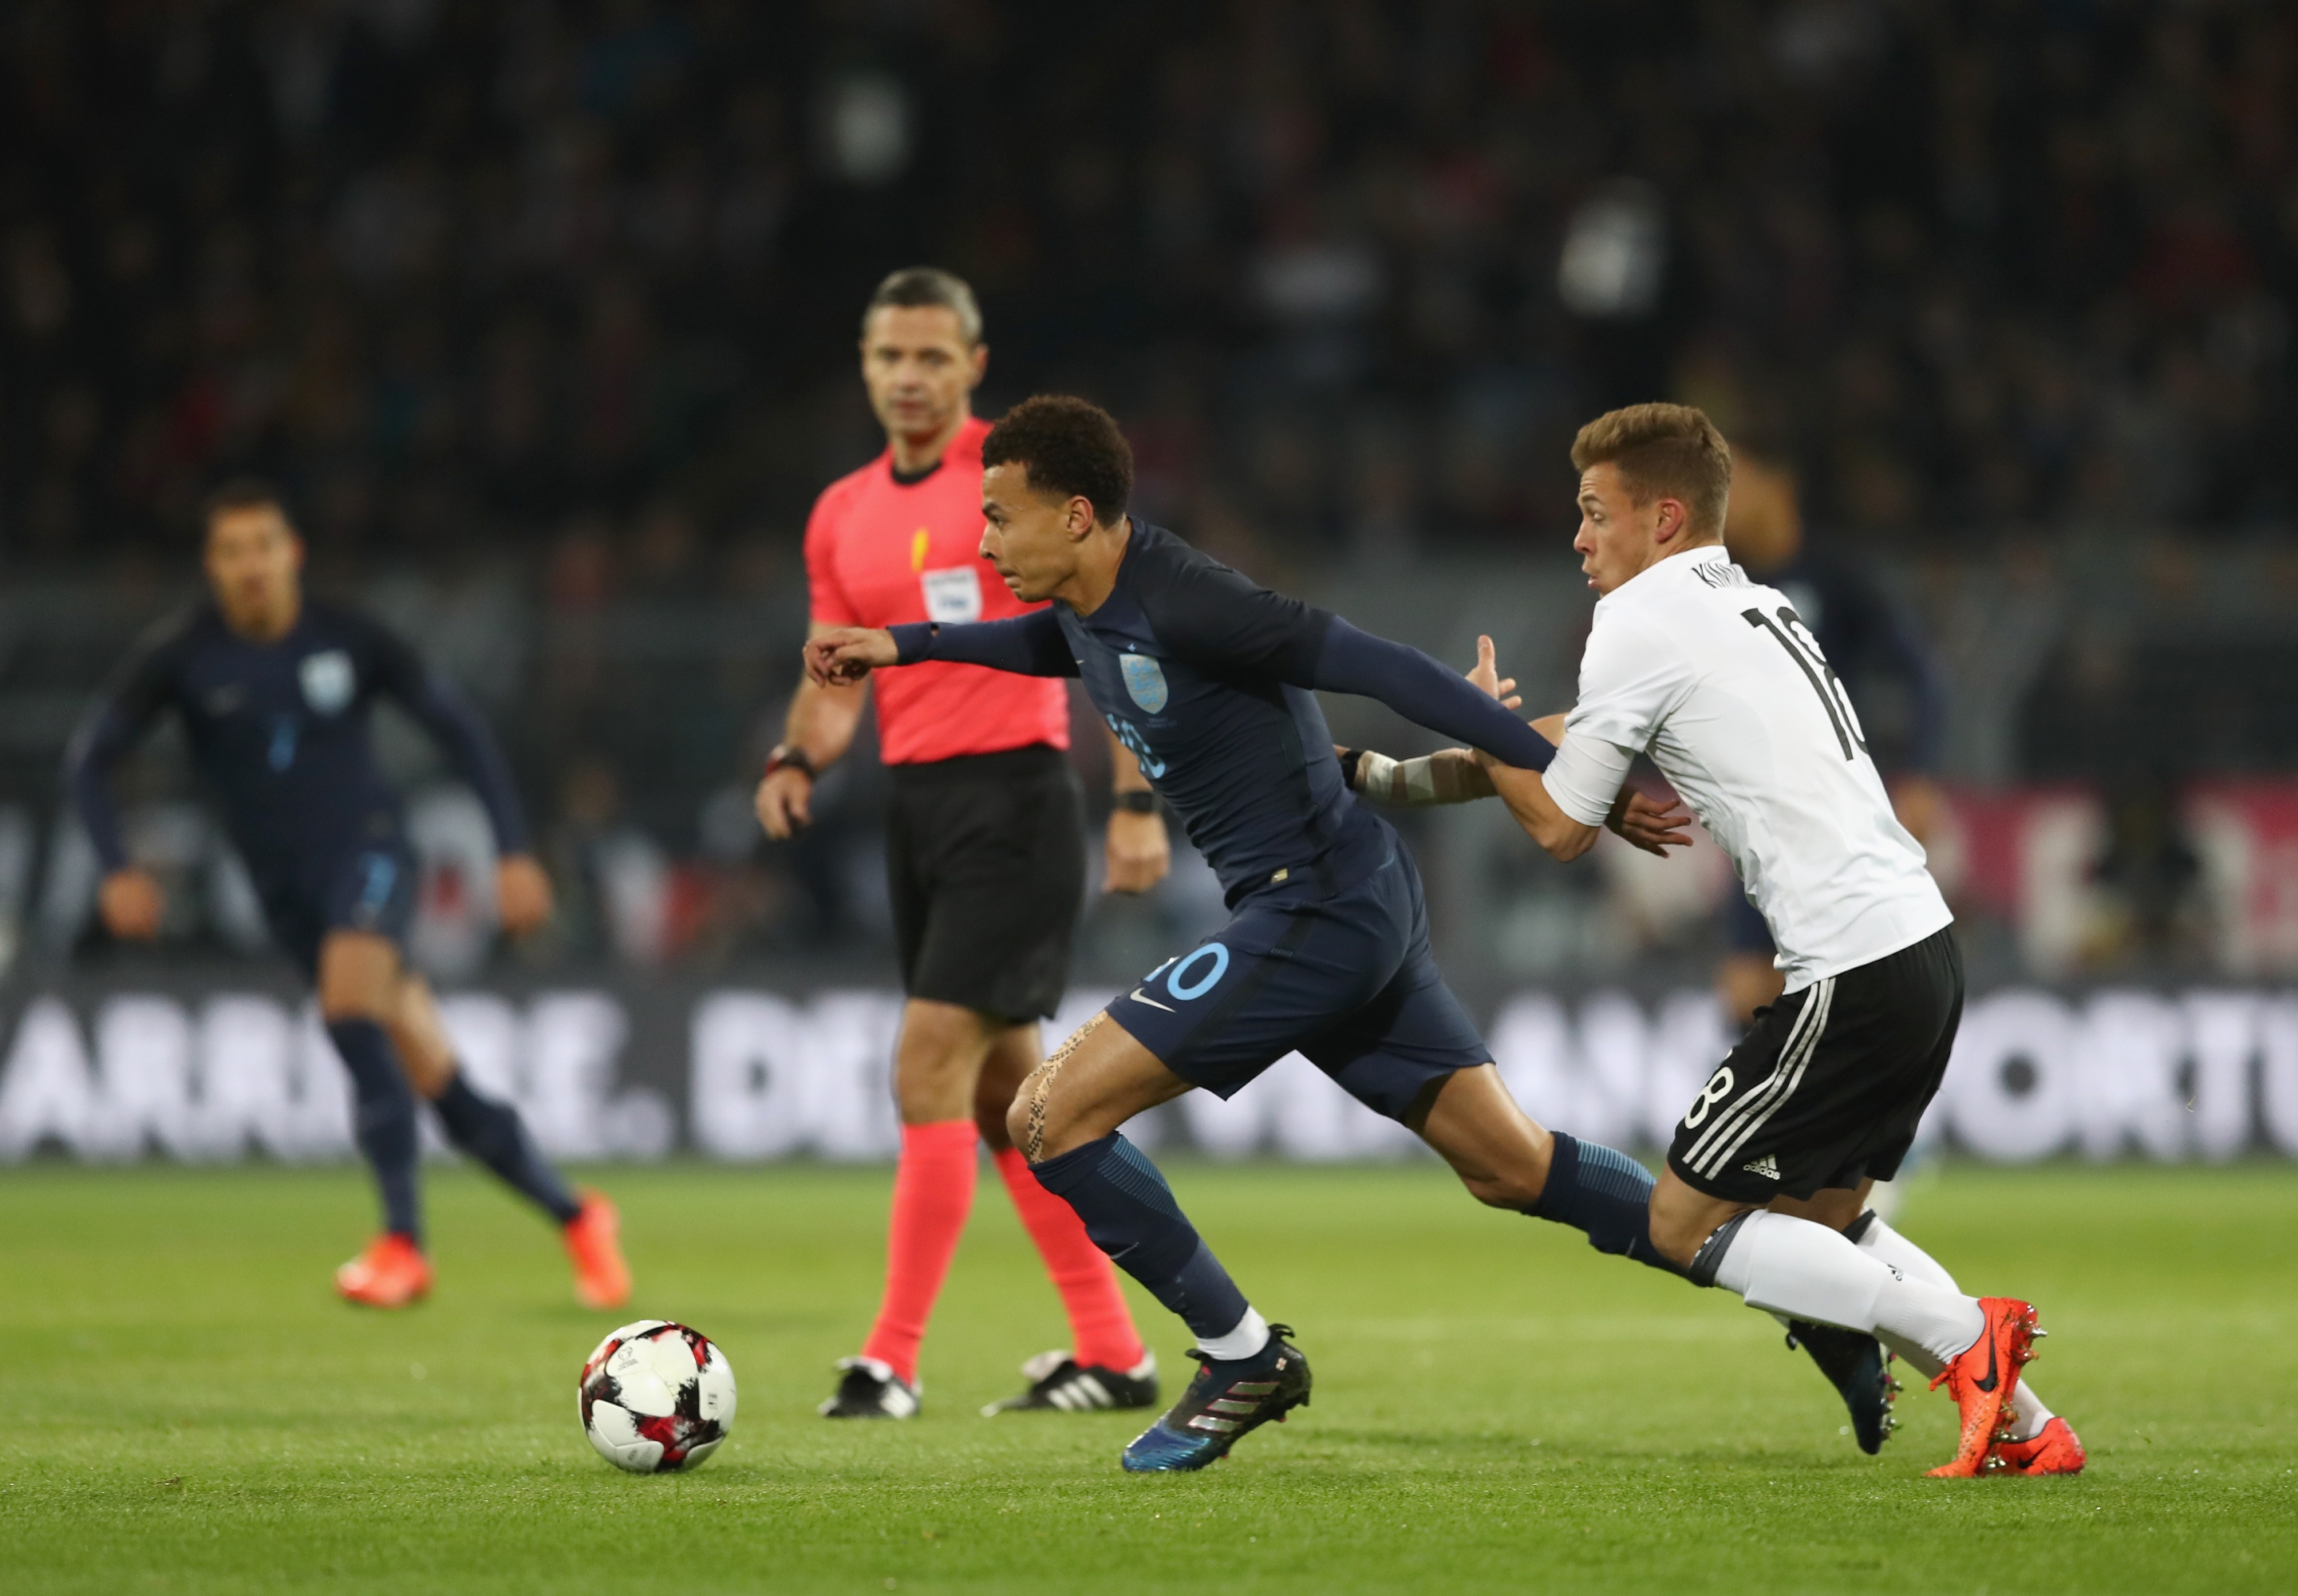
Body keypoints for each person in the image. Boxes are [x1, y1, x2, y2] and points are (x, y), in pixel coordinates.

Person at [804, 393, 1695, 1473]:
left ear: (1077, 515)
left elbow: (1384, 668)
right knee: (1514, 1166)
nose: (982, 539)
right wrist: (904, 644)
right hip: (1349, 895)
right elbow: (1050, 645)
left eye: (999, 516)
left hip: (1311, 907)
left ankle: (1241, 1356)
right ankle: (1785, 1277)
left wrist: (1560, 768)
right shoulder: (1085, 608)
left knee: (1049, 1116)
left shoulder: (1193, 599)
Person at [1463, 404, 2078, 1476]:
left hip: (1851, 967)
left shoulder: (1639, 620)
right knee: (1825, 1223)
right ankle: (2031, 1426)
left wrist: (1484, 740)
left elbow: (1561, 823)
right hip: (1921, 950)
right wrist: (1435, 762)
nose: (1578, 538)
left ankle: (1964, 1337)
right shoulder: (1745, 600)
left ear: (1661, 519)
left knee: (1681, 1218)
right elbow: (1574, 743)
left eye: (1594, 514)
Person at [756, 269, 1163, 1421]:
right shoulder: (840, 512)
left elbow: (1115, 635)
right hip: (916, 812)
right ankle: (1114, 1351)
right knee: (1009, 1108)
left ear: (974, 365)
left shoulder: (1024, 483)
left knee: (922, 1063)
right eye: (891, 357)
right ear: (867, 366)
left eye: (934, 357)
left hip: (1019, 805)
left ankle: (888, 1360)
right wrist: (797, 761)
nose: (912, 378)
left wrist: (1136, 804)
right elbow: (832, 680)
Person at [65, 481, 630, 1313]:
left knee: (349, 1009)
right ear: (212, 565)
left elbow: (461, 730)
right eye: (231, 551)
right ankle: (577, 1212)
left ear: (291, 552)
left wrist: (514, 850)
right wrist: (115, 865)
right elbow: (89, 759)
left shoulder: (350, 637)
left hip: (369, 854)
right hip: (285, 891)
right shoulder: (183, 655)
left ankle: (402, 1243)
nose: (250, 565)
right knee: (430, 1070)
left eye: (263, 545)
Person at [1715, 429, 1949, 1029]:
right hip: (1758, 822)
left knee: (1843, 994)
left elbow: (1921, 674)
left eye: (1733, 483)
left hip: (1834, 813)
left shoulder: (1834, 576)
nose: (1722, 501)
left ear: (1780, 484)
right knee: (1747, 1000)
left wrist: (1920, 774)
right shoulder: (1716, 586)